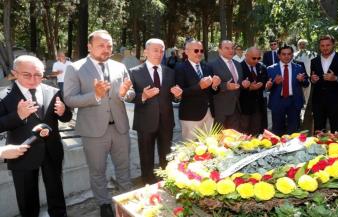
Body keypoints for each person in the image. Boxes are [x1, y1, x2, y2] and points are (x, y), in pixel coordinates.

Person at [64, 30, 134, 217]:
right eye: (101, 45)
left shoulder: (119, 66)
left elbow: (129, 92)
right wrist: (95, 95)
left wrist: (125, 94)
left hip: (120, 128)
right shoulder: (75, 68)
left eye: (109, 46)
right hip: (93, 132)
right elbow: (69, 99)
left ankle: (126, 203)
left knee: (124, 167)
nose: (106, 49)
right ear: (89, 46)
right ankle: (103, 203)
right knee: (97, 171)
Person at [0, 55, 72, 217]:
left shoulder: (53, 91)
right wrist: (18, 115)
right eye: (27, 75)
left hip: (52, 151)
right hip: (22, 153)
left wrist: (63, 112)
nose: (33, 79)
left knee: (56, 192)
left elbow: (66, 117)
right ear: (15, 73)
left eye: (38, 74)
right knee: (27, 199)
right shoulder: (5, 96)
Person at [129, 38, 182, 184]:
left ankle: (167, 181)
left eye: (161, 51)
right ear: (146, 51)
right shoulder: (134, 72)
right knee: (146, 156)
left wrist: (178, 96)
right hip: (145, 121)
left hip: (166, 121)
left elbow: (173, 96)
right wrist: (143, 96)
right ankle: (148, 182)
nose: (159, 54)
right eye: (155, 50)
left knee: (166, 155)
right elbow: (129, 96)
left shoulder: (170, 72)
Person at [175, 40, 221, 140]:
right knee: (190, 150)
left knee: (209, 148)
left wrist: (215, 86)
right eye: (196, 50)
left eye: (201, 50)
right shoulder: (180, 68)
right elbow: (180, 93)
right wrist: (199, 86)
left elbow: (213, 92)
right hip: (191, 116)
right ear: (186, 52)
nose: (199, 53)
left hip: (209, 113)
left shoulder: (207, 66)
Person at [266, 45, 309, 136]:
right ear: (279, 55)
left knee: (293, 132)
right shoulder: (270, 69)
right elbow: (267, 87)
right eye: (284, 54)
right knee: (277, 131)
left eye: (289, 54)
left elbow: (306, 83)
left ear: (292, 55)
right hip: (277, 102)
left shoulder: (299, 67)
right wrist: (274, 83)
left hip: (294, 102)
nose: (286, 56)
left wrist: (302, 80)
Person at [209, 40, 250, 131]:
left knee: (233, 139)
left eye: (232, 48)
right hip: (220, 109)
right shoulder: (212, 65)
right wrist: (225, 86)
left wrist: (243, 84)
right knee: (218, 139)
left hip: (236, 108)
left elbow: (238, 83)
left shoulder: (238, 64)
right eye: (227, 48)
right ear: (220, 50)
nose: (231, 51)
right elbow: (210, 86)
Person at [239, 47, 268, 135]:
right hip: (244, 106)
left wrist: (264, 84)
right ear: (246, 56)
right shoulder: (239, 67)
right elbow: (236, 84)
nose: (256, 61)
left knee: (257, 130)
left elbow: (265, 79)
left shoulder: (261, 66)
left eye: (258, 58)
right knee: (244, 131)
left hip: (258, 105)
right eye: (254, 58)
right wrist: (249, 87)